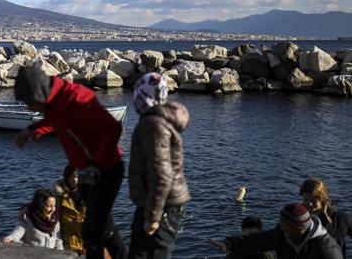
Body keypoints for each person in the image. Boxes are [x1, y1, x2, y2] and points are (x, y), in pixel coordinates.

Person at [14, 66, 126, 259]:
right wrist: (33, 130)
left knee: (94, 231)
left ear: (39, 94)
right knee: (99, 228)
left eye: (29, 102)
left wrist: (96, 165)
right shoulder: (56, 101)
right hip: (86, 172)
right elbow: (56, 119)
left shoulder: (76, 97)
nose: (28, 108)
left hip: (105, 169)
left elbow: (112, 128)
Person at [128, 72, 190, 259]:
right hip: (154, 203)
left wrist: (153, 217)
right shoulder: (155, 120)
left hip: (163, 206)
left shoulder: (153, 124)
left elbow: (161, 173)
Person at [208, 203, 343, 259]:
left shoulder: (327, 250)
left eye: (285, 226)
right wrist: (229, 243)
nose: (280, 227)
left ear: (299, 228)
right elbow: (255, 240)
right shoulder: (281, 234)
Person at [299, 178, 352, 257]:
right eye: (306, 200)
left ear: (322, 198)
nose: (309, 204)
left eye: (313, 200)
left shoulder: (340, 218)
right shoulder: (298, 217)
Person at [52, 165, 86, 255]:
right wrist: (25, 208)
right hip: (67, 247)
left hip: (86, 246)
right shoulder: (58, 196)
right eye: (72, 176)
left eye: (78, 177)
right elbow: (40, 202)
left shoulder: (89, 195)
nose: (75, 180)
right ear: (67, 177)